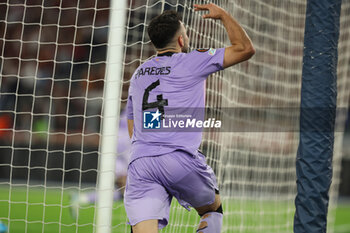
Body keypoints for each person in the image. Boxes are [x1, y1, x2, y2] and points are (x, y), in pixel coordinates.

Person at [125, 3, 255, 233]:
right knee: (211, 209)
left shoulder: (139, 74)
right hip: (179, 159)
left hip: (141, 163)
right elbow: (245, 49)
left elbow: (133, 124)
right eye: (185, 32)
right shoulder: (192, 61)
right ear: (182, 41)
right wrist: (224, 16)